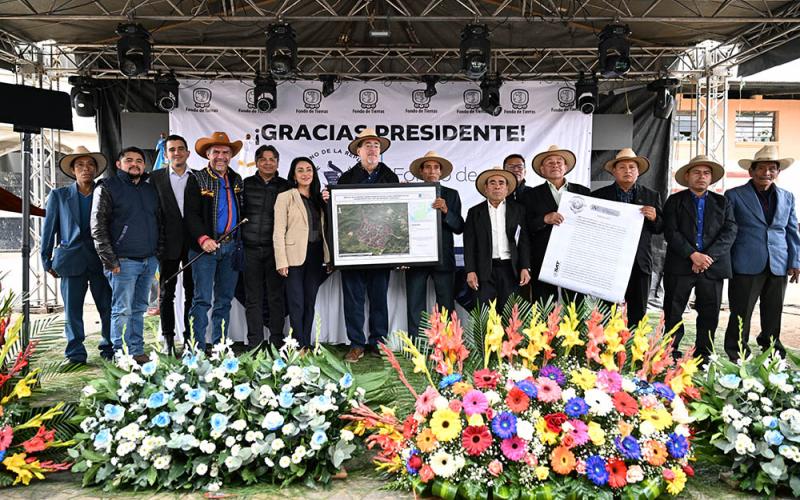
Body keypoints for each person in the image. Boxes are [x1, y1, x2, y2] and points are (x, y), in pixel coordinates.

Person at [723, 145, 800, 360]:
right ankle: (737, 352)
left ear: (778, 172)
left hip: (778, 262)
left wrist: (795, 260)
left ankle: (771, 348)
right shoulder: (734, 195)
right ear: (751, 171)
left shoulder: (787, 197)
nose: (766, 172)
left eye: (772, 168)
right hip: (745, 262)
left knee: (773, 312)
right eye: (762, 168)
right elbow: (728, 230)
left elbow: (792, 230)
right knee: (741, 313)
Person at [41, 146, 113, 364]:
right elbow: (49, 228)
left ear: (96, 169)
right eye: (80, 165)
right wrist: (46, 260)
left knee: (107, 307)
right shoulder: (59, 196)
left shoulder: (105, 192)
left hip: (101, 260)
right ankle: (75, 353)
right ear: (73, 170)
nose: (86, 169)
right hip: (70, 260)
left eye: (90, 164)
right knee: (72, 310)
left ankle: (109, 347)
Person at [662, 155, 737, 363]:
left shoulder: (722, 202)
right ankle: (670, 352)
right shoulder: (675, 201)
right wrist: (693, 255)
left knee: (709, 313)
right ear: (687, 176)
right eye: (696, 172)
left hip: (712, 268)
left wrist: (707, 258)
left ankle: (704, 354)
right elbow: (671, 231)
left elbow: (730, 232)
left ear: (711, 177)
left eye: (706, 173)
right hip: (680, 265)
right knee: (673, 310)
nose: (701, 177)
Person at [90, 147, 160, 364]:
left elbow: (158, 221)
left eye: (139, 160)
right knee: (122, 310)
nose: (135, 164)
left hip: (148, 261)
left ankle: (137, 351)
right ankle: (120, 355)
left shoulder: (150, 190)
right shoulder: (107, 187)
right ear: (119, 164)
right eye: (129, 160)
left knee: (139, 309)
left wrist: (156, 254)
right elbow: (97, 226)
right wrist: (110, 260)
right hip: (123, 262)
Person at [337, 128, 398, 362]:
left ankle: (378, 342)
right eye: (368, 145)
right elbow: (339, 217)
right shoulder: (346, 178)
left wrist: (398, 252)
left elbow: (396, 216)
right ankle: (356, 343)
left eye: (376, 146)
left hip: (381, 248)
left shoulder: (390, 177)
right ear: (358, 151)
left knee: (379, 297)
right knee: (353, 298)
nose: (372, 149)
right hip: (353, 249)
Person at [184, 132, 245, 351]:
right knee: (201, 301)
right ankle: (197, 348)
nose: (221, 156)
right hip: (205, 249)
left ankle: (219, 347)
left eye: (225, 152)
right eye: (216, 152)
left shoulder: (237, 179)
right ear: (208, 154)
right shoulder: (197, 178)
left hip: (231, 247)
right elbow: (190, 215)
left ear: (231, 156)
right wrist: (203, 238)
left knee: (224, 301)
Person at [592, 148, 663, 328]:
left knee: (638, 312)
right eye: (622, 167)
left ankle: (634, 352)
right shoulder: (599, 196)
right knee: (607, 312)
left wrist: (655, 218)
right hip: (608, 262)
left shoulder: (651, 196)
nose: (627, 170)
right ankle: (605, 350)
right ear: (614, 171)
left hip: (640, 263)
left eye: (632, 167)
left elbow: (661, 229)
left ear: (638, 172)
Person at [521, 145, 590, 306]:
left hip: (575, 257)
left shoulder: (583, 192)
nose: (555, 165)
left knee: (576, 305)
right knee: (544, 305)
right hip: (543, 258)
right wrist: (544, 219)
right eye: (550, 162)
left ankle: (576, 332)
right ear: (542, 169)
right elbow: (524, 228)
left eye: (559, 162)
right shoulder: (530, 195)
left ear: (566, 167)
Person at [405, 151, 464, 337]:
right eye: (428, 167)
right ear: (421, 172)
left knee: (446, 303)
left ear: (441, 172)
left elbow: (459, 227)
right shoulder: (411, 193)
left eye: (436, 167)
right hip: (416, 257)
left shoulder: (452, 195)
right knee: (415, 303)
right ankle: (416, 344)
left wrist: (446, 211)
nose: (432, 170)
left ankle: (448, 344)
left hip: (443, 258)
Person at [273, 157, 330, 350]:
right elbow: (278, 231)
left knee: (309, 302)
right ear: (294, 175)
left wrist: (329, 257)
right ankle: (298, 345)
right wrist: (281, 261)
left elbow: (326, 229)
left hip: (315, 255)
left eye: (309, 169)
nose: (305, 173)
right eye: (300, 170)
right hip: (293, 256)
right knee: (296, 303)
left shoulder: (318, 199)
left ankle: (306, 342)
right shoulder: (285, 197)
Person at [241, 145, 289, 350]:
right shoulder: (245, 184)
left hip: (276, 251)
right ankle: (255, 343)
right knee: (253, 298)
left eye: (272, 159)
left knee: (276, 298)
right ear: (257, 162)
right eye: (263, 159)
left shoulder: (287, 186)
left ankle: (277, 341)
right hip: (250, 248)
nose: (268, 162)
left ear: (278, 162)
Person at [150, 134, 194, 355]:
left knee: (192, 294)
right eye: (172, 149)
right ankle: (169, 339)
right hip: (166, 245)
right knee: (167, 294)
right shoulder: (154, 178)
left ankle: (189, 339)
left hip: (194, 245)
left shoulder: (197, 178)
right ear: (166, 154)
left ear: (188, 153)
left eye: (180, 148)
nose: (176, 152)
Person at [464, 167, 531, 311]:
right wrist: (470, 270)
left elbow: (524, 242)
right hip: (484, 272)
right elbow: (469, 245)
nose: (497, 186)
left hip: (511, 270)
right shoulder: (475, 212)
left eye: (501, 183)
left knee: (510, 317)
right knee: (484, 317)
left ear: (507, 189)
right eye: (492, 183)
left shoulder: (518, 210)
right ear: (486, 189)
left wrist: (525, 267)